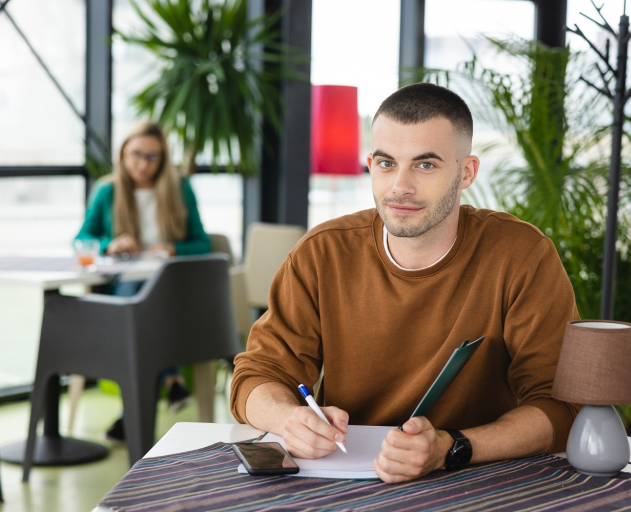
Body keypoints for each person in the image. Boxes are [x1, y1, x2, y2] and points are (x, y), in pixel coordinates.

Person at [230, 83, 581, 484]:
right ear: (370, 163)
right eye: (386, 163)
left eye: (425, 165)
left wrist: (453, 448)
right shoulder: (321, 253)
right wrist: (289, 418)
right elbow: (256, 375)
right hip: (343, 479)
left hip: (475, 480)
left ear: (466, 172)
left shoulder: (522, 255)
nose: (400, 186)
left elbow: (560, 405)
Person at [75, 121, 211, 440]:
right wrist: (111, 244)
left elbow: (203, 243)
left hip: (171, 290)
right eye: (136, 154)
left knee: (145, 299)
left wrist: (173, 248)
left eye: (153, 157)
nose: (143, 164)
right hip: (125, 289)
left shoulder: (180, 189)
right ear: (123, 153)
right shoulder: (107, 191)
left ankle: (131, 414)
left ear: (163, 159)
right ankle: (172, 380)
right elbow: (82, 239)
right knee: (138, 294)